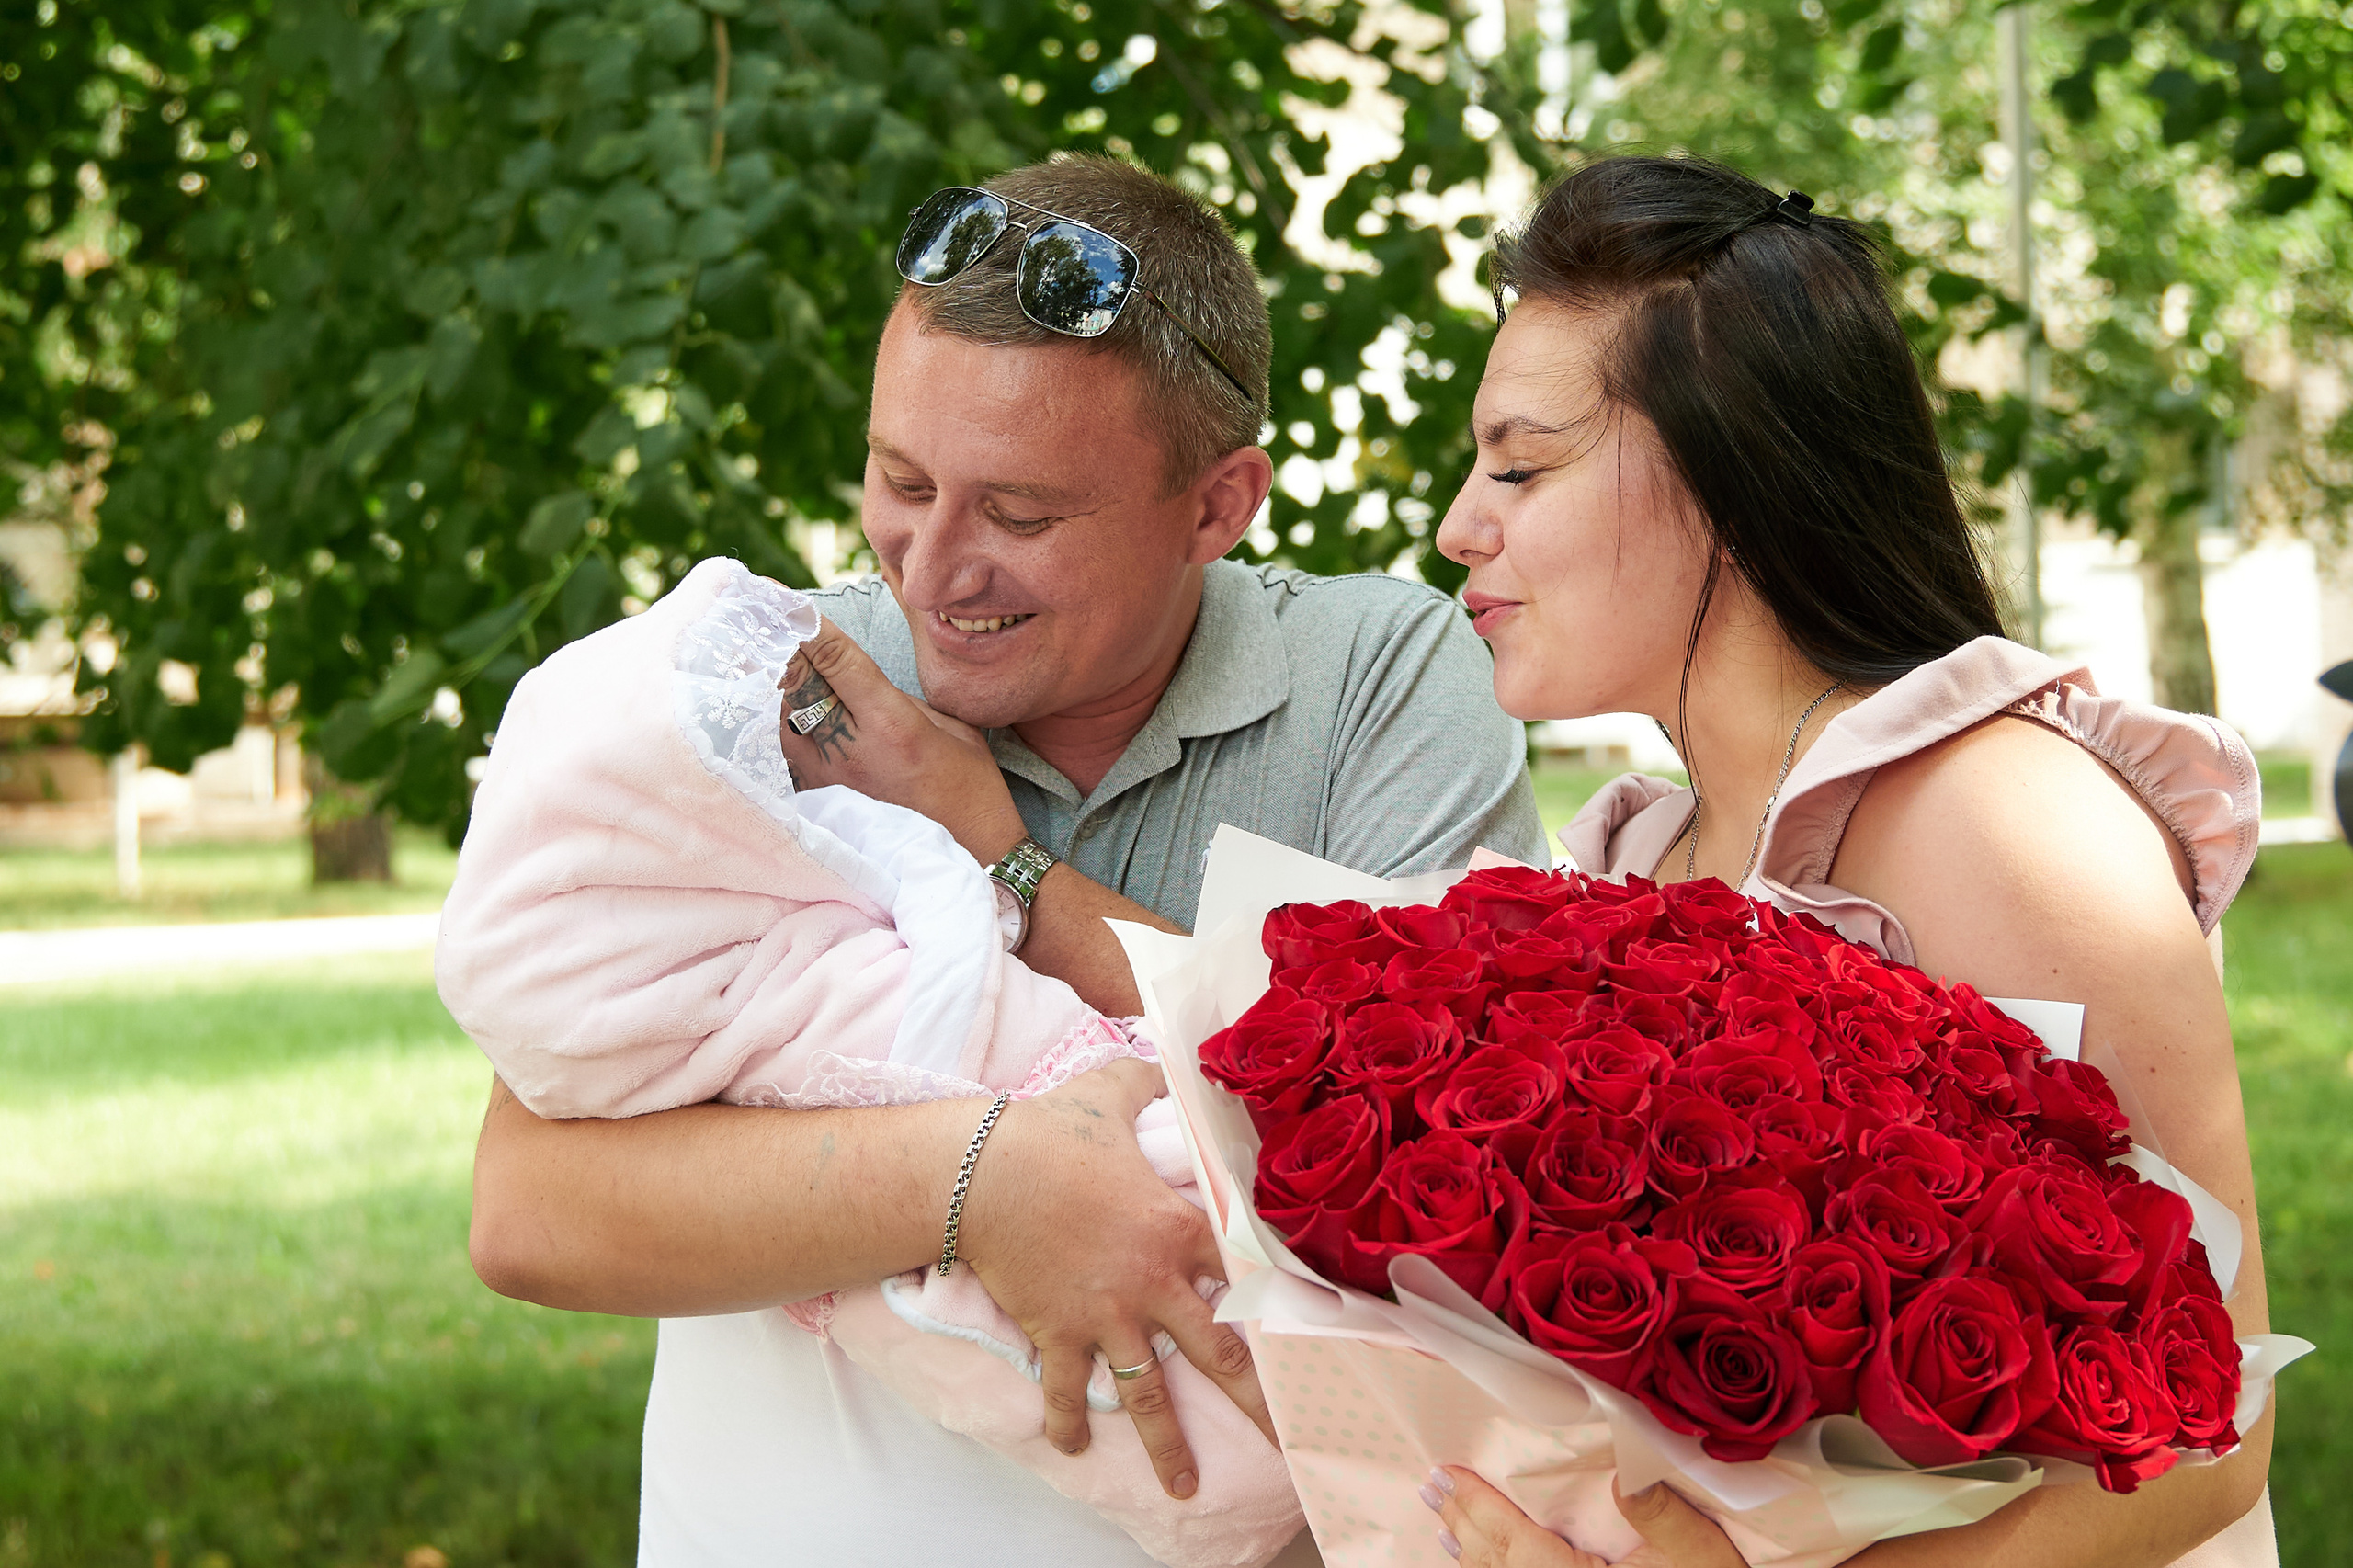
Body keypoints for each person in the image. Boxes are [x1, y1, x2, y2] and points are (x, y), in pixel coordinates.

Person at [464, 153, 1548, 1566]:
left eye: (1021, 516)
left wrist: (994, 848)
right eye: (899, 480)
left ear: (1218, 506)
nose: (930, 569)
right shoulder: (789, 677)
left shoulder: (1379, 675)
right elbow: (530, 1211)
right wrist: (981, 1183)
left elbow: (1440, 1141)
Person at [1417, 155, 2275, 1568]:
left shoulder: (2007, 820)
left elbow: (2210, 1430)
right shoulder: (1634, 861)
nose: (1463, 524)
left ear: (1732, 479)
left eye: (1518, 463)